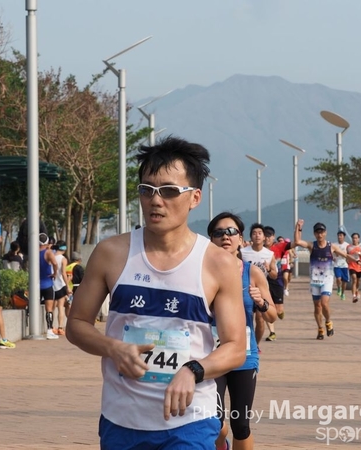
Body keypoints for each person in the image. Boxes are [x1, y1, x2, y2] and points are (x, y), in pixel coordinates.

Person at [66, 136, 246, 449]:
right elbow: (77, 324)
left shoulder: (218, 263)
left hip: (190, 421)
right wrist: (113, 348)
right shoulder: (111, 253)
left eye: (169, 190)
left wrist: (193, 370)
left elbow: (235, 347)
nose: (156, 200)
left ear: (194, 197)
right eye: (146, 190)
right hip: (122, 419)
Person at [209, 212, 276, 450]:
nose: (225, 237)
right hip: (211, 357)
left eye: (231, 232)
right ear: (211, 239)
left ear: (240, 238)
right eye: (218, 232)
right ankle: (221, 444)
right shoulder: (201, 272)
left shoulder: (252, 272)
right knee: (213, 422)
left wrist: (261, 303)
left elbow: (272, 315)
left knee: (241, 425)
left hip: (244, 357)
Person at [294, 220, 357, 340]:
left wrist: (356, 261)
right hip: (315, 280)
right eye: (317, 232)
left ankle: (328, 321)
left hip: (327, 279)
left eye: (322, 232)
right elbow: (297, 241)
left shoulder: (331, 246)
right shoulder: (312, 245)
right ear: (314, 234)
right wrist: (298, 228)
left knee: (324, 303)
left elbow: (345, 255)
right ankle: (320, 329)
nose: (320, 234)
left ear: (325, 233)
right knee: (317, 306)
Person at [240, 224, 277, 344]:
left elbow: (274, 275)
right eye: (254, 233)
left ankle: (255, 345)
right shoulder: (243, 252)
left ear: (264, 237)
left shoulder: (269, 254)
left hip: (261, 291)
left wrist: (269, 269)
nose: (257, 236)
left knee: (260, 319)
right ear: (251, 236)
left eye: (260, 233)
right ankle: (245, 343)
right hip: (246, 289)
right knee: (245, 317)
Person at [39, 233, 59, 339]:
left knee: (33, 306)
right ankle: (49, 330)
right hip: (47, 283)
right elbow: (55, 263)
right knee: (49, 309)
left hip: (36, 285)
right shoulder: (48, 252)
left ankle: (33, 328)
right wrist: (54, 273)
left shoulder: (33, 252)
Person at [51, 240, 69, 335]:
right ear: (64, 249)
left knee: (52, 307)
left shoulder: (51, 257)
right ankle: (60, 327)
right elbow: (63, 273)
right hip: (61, 285)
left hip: (52, 284)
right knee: (61, 307)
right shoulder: (63, 259)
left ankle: (51, 327)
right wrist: (67, 286)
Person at [347, 232, 361, 303]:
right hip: (351, 266)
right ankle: (353, 296)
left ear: (358, 239)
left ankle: (357, 290)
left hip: (359, 266)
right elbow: (346, 256)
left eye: (356, 238)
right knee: (354, 279)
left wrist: (360, 254)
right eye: (353, 238)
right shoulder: (349, 247)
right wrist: (347, 261)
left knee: (358, 281)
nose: (354, 239)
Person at [65, 252, 84, 317]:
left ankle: (68, 319)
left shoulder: (67, 267)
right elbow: (82, 279)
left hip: (68, 288)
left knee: (69, 305)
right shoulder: (78, 267)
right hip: (77, 289)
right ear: (79, 259)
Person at [333, 230, 350, 300]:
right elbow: (330, 254)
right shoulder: (334, 245)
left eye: (341, 236)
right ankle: (339, 288)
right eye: (338, 235)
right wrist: (333, 258)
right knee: (338, 278)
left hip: (344, 265)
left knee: (344, 281)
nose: (339, 237)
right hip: (337, 265)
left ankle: (343, 293)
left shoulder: (347, 245)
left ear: (344, 237)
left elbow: (349, 255)